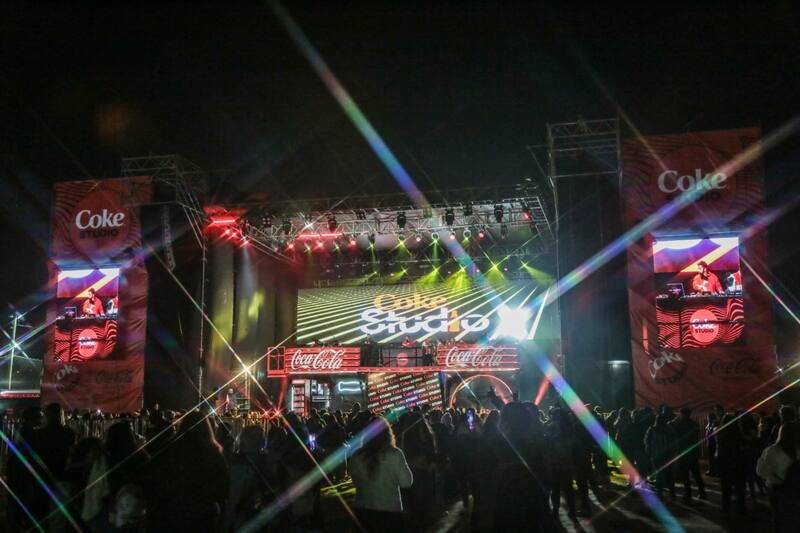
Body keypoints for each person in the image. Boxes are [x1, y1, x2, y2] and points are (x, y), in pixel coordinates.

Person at [349, 416, 413, 533]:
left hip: (363, 509)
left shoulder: (356, 455)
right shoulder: (394, 454)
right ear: (387, 433)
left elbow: (355, 481)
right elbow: (406, 482)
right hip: (389, 510)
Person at [757, 422, 798, 531]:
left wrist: (774, 478)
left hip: (777, 488)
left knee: (779, 517)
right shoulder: (796, 449)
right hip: (795, 488)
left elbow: (761, 470)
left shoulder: (772, 450)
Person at [670, 407, 706, 501]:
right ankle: (702, 492)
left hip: (683, 452)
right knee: (696, 474)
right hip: (693, 452)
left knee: (685, 475)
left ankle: (688, 493)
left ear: (682, 414)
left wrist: (675, 420)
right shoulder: (694, 424)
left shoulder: (679, 424)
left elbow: (670, 426)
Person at [645, 413, 676, 498]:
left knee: (659, 474)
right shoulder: (669, 429)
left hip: (657, 455)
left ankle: (660, 493)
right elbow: (674, 442)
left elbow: (647, 443)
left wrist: (649, 454)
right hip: (666, 455)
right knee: (668, 474)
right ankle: (671, 493)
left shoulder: (652, 429)